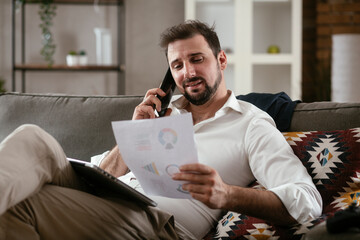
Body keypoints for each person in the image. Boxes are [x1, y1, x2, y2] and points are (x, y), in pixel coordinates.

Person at [0, 20, 322, 239]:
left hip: (158, 225)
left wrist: (226, 194)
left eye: (197, 59)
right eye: (177, 66)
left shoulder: (251, 123)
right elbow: (101, 173)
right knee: (33, 139)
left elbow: (306, 200)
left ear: (221, 60)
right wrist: (133, 135)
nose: (188, 72)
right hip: (106, 199)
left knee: (20, 204)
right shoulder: (160, 114)